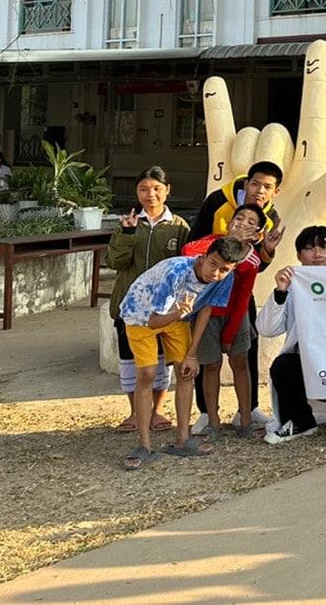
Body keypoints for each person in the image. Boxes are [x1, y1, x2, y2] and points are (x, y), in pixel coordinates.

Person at [117, 236, 242, 469]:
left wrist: (192, 354)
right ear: (203, 257)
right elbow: (154, 321)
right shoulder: (175, 272)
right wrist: (177, 314)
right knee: (147, 373)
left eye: (224, 269)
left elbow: (205, 308)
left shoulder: (225, 278)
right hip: (141, 316)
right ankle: (144, 444)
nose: (215, 274)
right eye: (212, 264)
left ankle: (183, 439)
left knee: (186, 371)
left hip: (177, 317)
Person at [188, 159, 282, 433]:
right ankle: (206, 412)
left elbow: (259, 265)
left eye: (268, 187)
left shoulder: (269, 216)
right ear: (246, 183)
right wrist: (231, 239)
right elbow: (194, 243)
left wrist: (267, 251)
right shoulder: (217, 200)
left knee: (246, 350)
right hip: (206, 293)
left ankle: (248, 409)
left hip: (240, 294)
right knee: (207, 358)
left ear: (275, 191)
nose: (260, 191)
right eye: (255, 184)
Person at [106, 167, 190, 434]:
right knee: (132, 362)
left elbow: (187, 265)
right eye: (144, 189)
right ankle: (134, 412)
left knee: (160, 362)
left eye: (156, 189)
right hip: (129, 307)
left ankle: (156, 411)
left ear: (167, 190)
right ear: (137, 192)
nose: (150, 195)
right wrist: (127, 235)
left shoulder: (179, 226)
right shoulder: (128, 224)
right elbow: (115, 261)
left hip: (164, 309)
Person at [258, 225, 326, 444]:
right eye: (309, 248)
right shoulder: (293, 285)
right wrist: (280, 293)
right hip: (308, 363)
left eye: (325, 247)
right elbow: (266, 329)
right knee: (283, 366)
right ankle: (300, 422)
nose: (318, 254)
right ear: (300, 255)